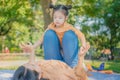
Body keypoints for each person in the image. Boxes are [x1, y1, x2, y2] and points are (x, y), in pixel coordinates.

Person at [20, 4, 87, 68]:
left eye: (60, 18)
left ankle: (72, 65)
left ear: (66, 18)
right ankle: (53, 65)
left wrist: (83, 45)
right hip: (57, 51)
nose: (57, 20)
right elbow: (41, 39)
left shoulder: (69, 27)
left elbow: (81, 35)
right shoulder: (51, 26)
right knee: (48, 34)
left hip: (68, 52)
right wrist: (33, 47)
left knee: (69, 35)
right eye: (55, 17)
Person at [13, 42, 90, 80]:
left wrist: (32, 50)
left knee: (49, 34)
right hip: (72, 65)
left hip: (59, 59)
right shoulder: (58, 76)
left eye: (27, 63)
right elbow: (79, 75)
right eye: (33, 65)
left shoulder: (33, 72)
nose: (32, 62)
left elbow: (31, 65)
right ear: (39, 76)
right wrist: (80, 57)